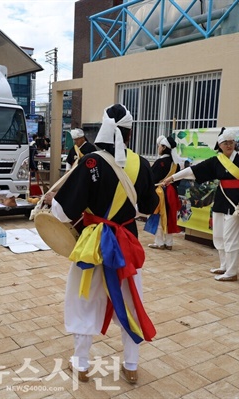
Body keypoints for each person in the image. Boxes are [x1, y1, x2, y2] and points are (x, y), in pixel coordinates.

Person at [43, 104, 158, 384]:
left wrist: (53, 202)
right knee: (130, 301)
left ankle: (81, 365)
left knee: (83, 300)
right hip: (127, 242)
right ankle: (131, 365)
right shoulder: (142, 164)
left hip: (92, 243)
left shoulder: (90, 162)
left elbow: (62, 213)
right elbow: (148, 207)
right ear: (130, 134)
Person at [162, 128, 239, 281]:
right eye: (225, 142)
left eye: (231, 142)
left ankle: (232, 272)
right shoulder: (216, 161)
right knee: (219, 234)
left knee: (231, 237)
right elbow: (194, 170)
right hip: (221, 199)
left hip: (237, 202)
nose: (229, 145)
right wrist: (172, 178)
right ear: (220, 145)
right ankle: (224, 265)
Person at [147, 135, 185, 250]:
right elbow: (177, 182)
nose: (158, 148)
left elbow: (152, 178)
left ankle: (159, 242)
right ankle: (169, 243)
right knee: (169, 216)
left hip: (161, 192)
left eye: (159, 146)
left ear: (163, 147)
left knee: (158, 216)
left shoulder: (160, 162)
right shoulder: (175, 164)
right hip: (172, 192)